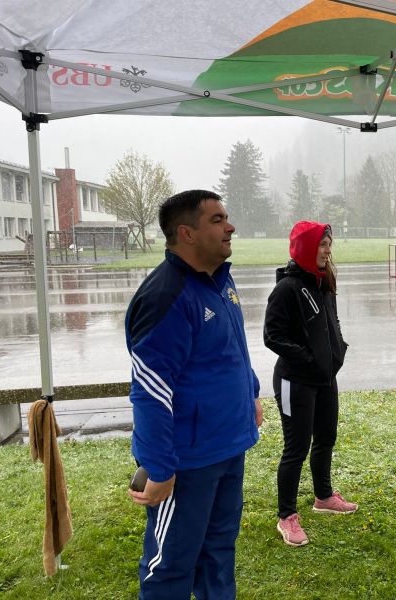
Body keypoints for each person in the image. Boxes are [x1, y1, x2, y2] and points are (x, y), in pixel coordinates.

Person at [125, 190, 262, 599]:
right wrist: (160, 468)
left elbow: (232, 349)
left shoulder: (220, 279)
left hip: (228, 446)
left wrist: (252, 394)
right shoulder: (165, 296)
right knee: (171, 565)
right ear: (186, 233)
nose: (230, 227)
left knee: (218, 554)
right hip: (186, 462)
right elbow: (150, 391)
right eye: (217, 220)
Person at [264, 221, 355, 547]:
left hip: (324, 377)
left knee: (326, 438)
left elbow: (332, 322)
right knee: (297, 448)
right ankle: (286, 516)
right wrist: (307, 358)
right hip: (295, 380)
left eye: (329, 244)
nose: (328, 251)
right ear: (305, 248)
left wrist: (337, 350)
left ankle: (324, 497)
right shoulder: (287, 289)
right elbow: (272, 336)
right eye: (322, 245)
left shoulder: (323, 280)